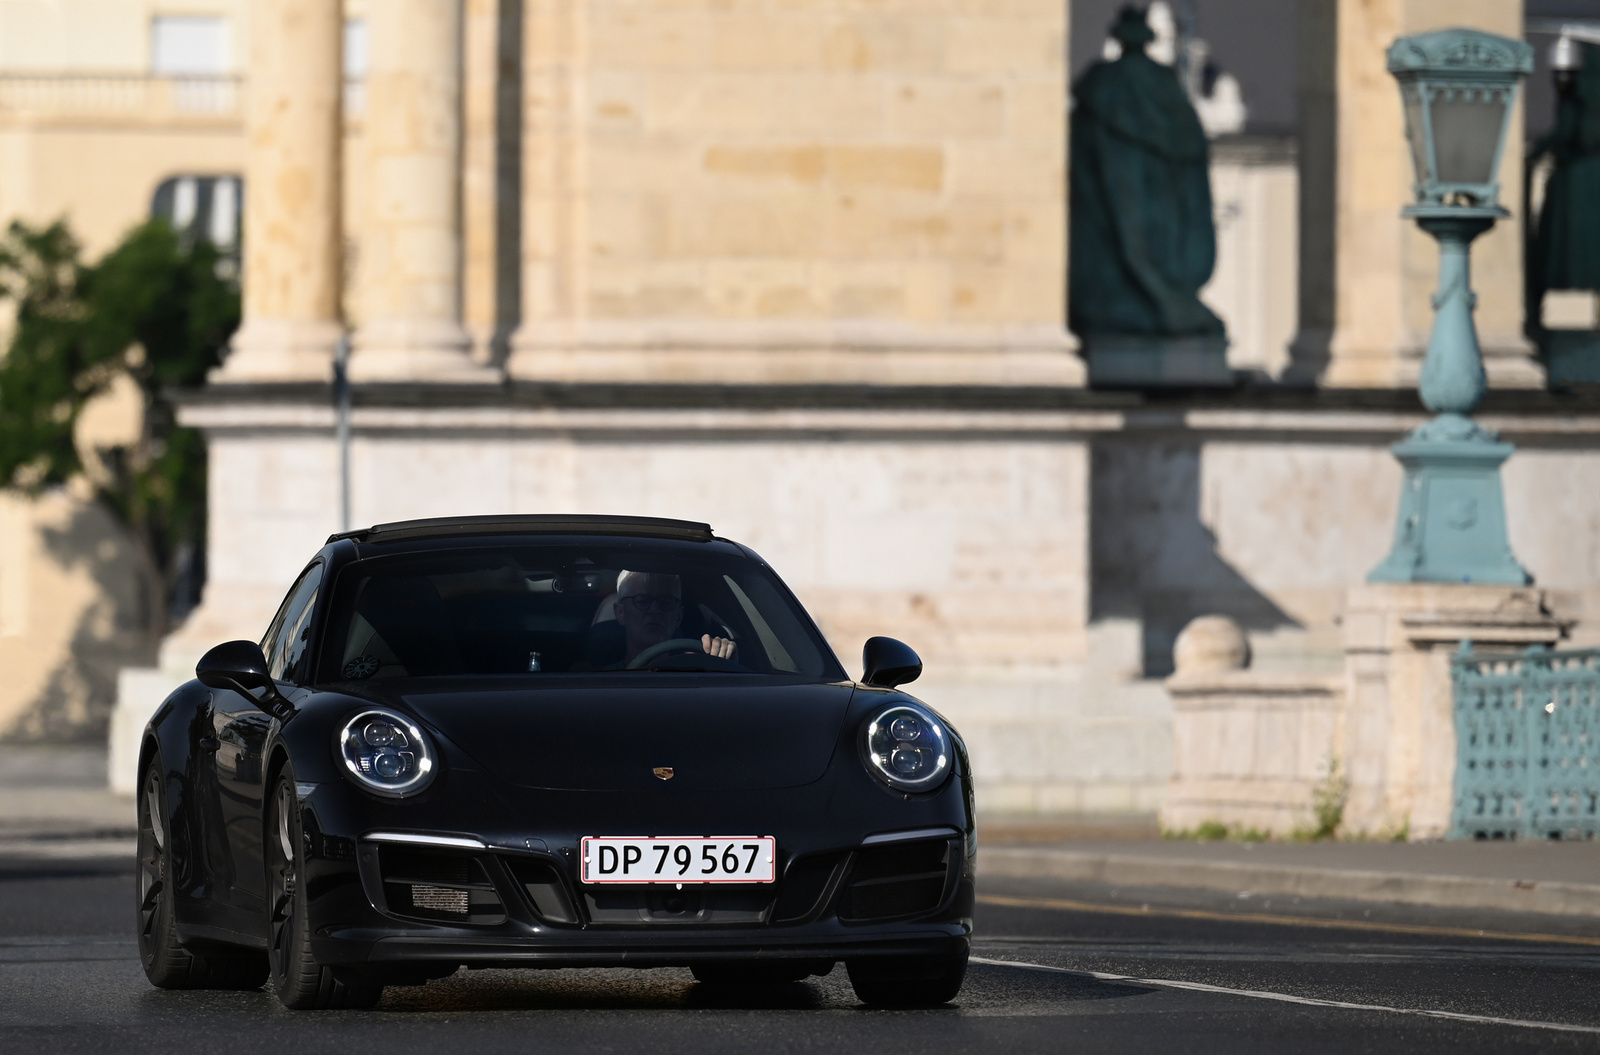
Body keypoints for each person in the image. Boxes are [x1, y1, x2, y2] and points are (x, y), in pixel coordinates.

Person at [612, 570, 735, 667]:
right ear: (620, 613)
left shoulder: (699, 673)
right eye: (643, 601)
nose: (655, 610)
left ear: (678, 616)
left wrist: (722, 657)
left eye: (666, 602)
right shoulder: (599, 683)